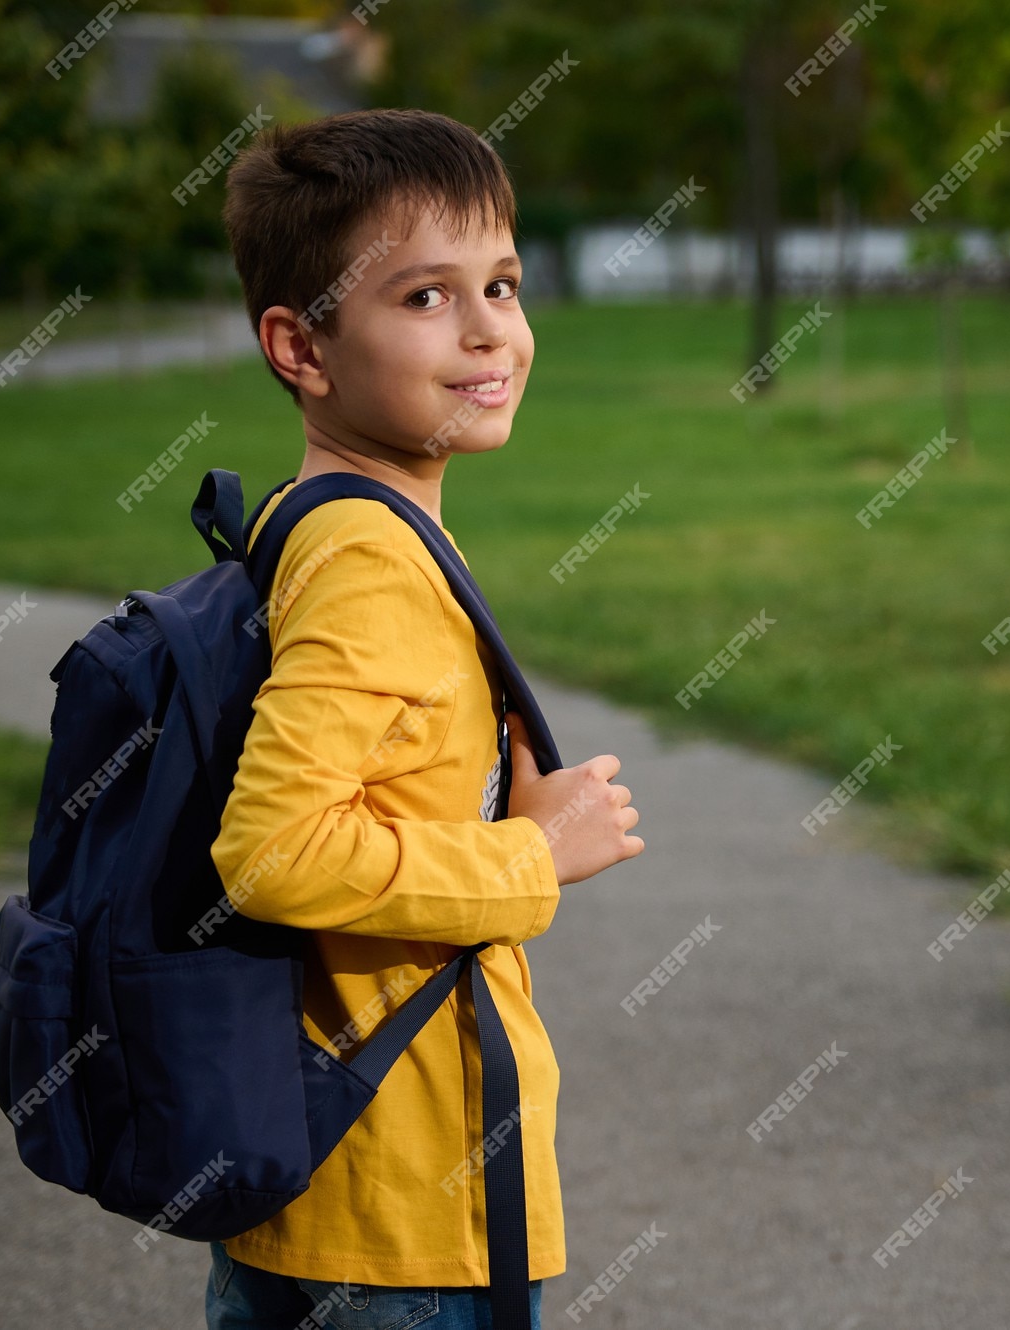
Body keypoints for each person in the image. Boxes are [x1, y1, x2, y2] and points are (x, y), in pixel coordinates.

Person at [205, 106, 645, 1330]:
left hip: (334, 1185)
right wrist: (535, 854)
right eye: (422, 298)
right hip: (396, 1218)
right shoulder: (365, 556)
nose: (487, 329)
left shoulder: (317, 515)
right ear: (302, 345)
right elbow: (273, 849)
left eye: (499, 283)